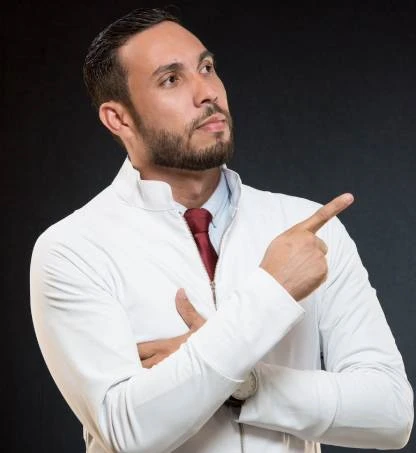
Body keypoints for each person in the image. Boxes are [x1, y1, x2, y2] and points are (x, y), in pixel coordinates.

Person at [30, 6, 413, 453]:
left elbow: (392, 414)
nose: (207, 92)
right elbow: (128, 430)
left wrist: (248, 385)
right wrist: (272, 290)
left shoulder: (309, 230)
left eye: (207, 68)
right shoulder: (72, 248)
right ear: (119, 119)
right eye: (171, 79)